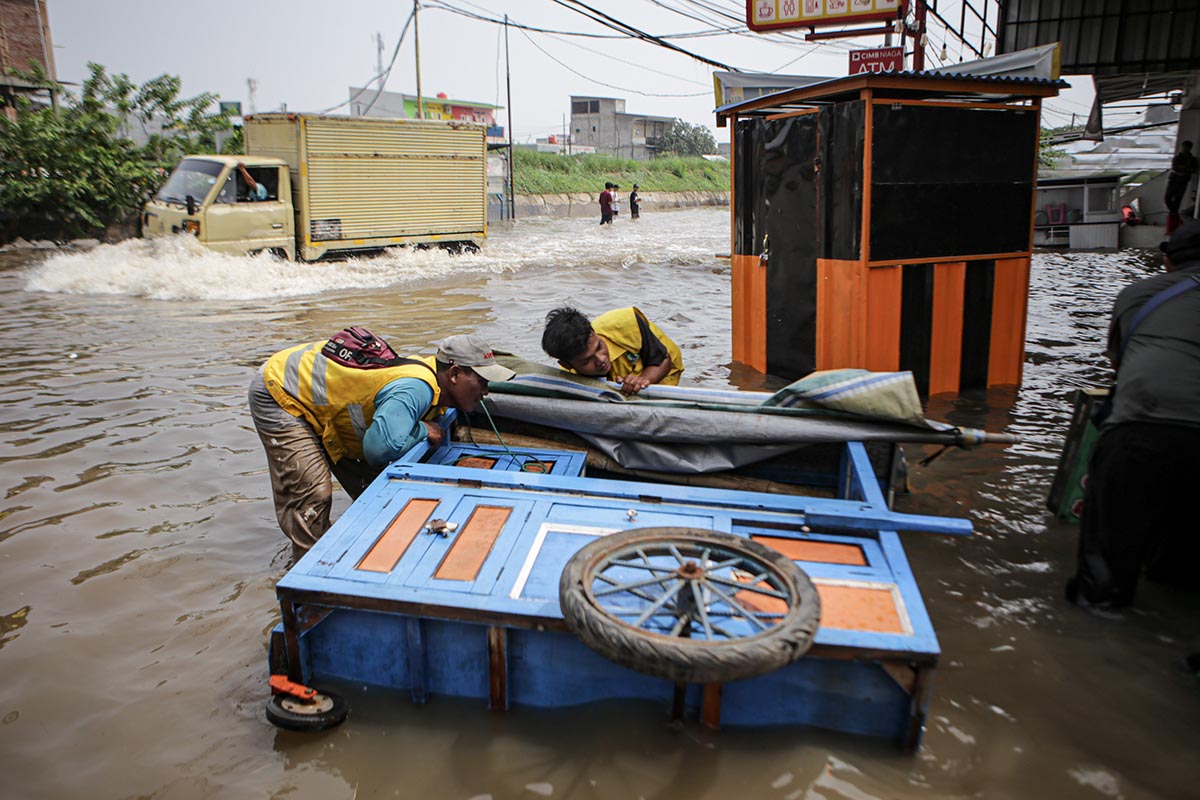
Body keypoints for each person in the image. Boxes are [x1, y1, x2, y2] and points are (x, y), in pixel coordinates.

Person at [249, 332, 515, 552]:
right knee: (314, 494)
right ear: (455, 374)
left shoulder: (435, 386)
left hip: (323, 402)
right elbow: (378, 450)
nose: (486, 391)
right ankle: (307, 573)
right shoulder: (416, 388)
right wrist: (422, 429)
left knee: (370, 486)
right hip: (280, 392)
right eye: (482, 381)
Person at [1066, 220, 1200, 610]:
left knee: (1104, 572)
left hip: (1138, 430)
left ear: (1167, 260)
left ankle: (1097, 633)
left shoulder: (1139, 296)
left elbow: (1123, 366)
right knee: (1181, 577)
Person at [541, 306, 684, 395]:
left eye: (599, 347)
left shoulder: (626, 323)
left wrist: (642, 381)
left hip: (664, 369)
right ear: (568, 365)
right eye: (587, 361)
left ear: (593, 331)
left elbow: (663, 359)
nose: (601, 360)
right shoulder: (570, 378)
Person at [1164, 140, 1197, 234]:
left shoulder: (1192, 159)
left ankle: (1174, 219)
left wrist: (1183, 169)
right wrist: (1185, 169)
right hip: (1174, 180)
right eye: (1183, 147)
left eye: (1185, 147)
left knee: (1177, 200)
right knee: (1167, 198)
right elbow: (1175, 167)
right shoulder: (1177, 158)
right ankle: (1174, 214)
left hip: (1183, 181)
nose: (1183, 149)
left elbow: (1193, 169)